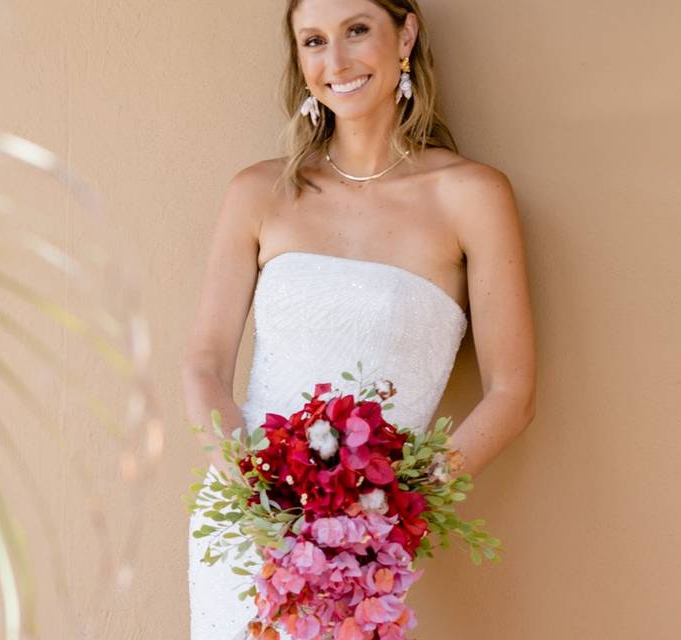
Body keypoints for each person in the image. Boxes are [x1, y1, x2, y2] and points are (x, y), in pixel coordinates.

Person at [180, 0, 536, 637]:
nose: (335, 61)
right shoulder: (259, 192)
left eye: (357, 31)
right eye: (313, 41)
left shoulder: (473, 196)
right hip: (247, 526)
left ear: (406, 35)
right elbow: (203, 365)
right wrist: (259, 498)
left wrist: (385, 516)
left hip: (364, 547)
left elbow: (512, 394)